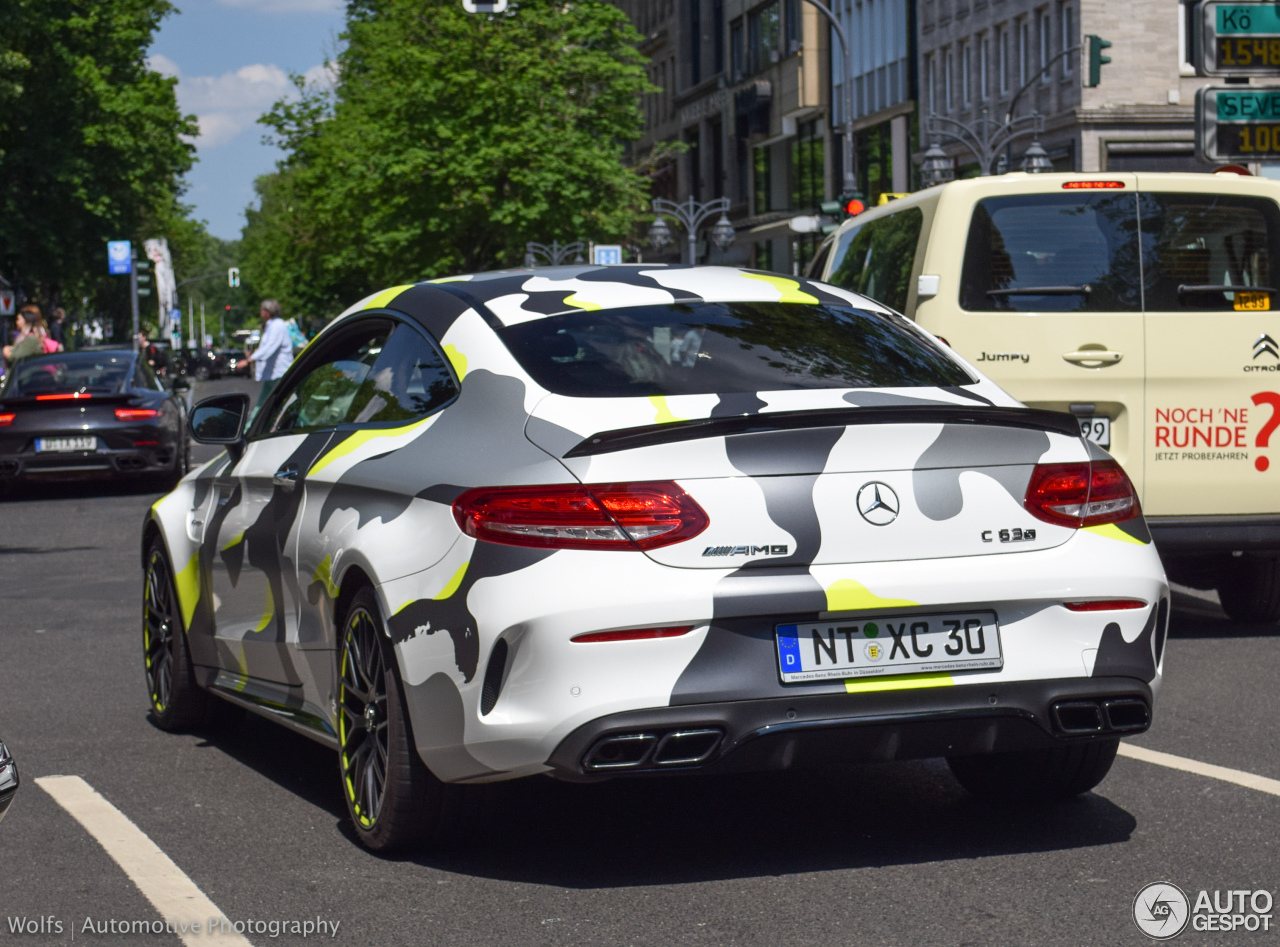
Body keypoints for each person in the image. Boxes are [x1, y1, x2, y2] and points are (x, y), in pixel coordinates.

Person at [238, 299, 293, 410]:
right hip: (272, 373)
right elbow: (265, 347)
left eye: (262, 310)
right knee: (264, 405)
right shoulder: (271, 325)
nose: (260, 312)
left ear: (268, 312)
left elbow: (269, 348)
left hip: (278, 373)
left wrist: (248, 361)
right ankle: (251, 426)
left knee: (285, 405)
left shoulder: (277, 325)